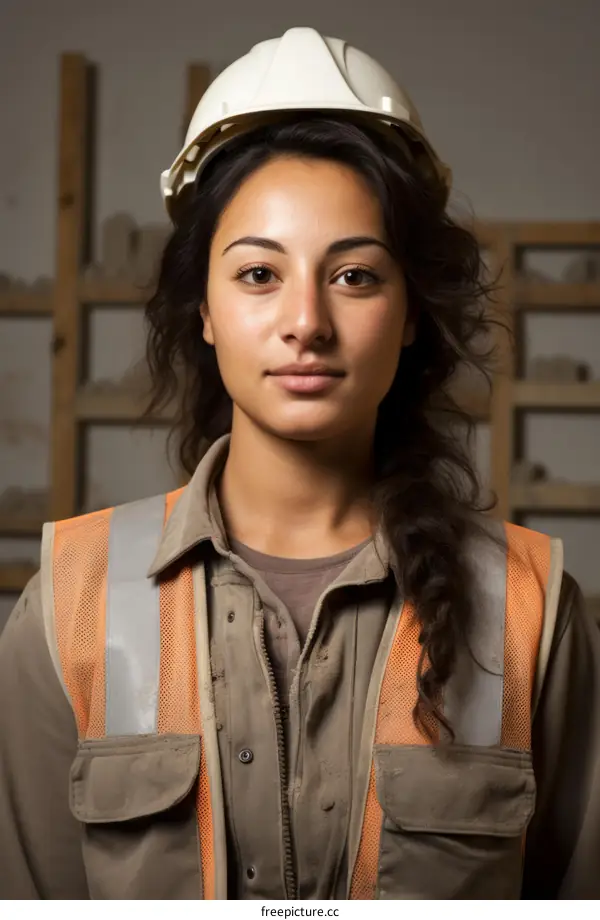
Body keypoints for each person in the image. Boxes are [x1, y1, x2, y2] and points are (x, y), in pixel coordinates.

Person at [1, 26, 599, 901]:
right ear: (201, 307)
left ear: (410, 313)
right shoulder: (70, 601)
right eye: (258, 275)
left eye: (354, 276)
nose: (306, 321)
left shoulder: (531, 612)